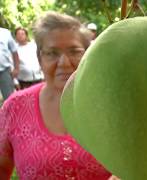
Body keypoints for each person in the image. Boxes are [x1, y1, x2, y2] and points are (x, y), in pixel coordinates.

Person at [0, 11, 113, 179]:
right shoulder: (15, 107)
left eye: (74, 51)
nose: (64, 63)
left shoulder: (111, 105)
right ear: (39, 58)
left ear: (88, 56)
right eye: (52, 53)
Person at [0, 27, 19, 100]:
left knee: (10, 98)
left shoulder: (5, 32)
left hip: (4, 71)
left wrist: (16, 68)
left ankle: (11, 111)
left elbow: (14, 51)